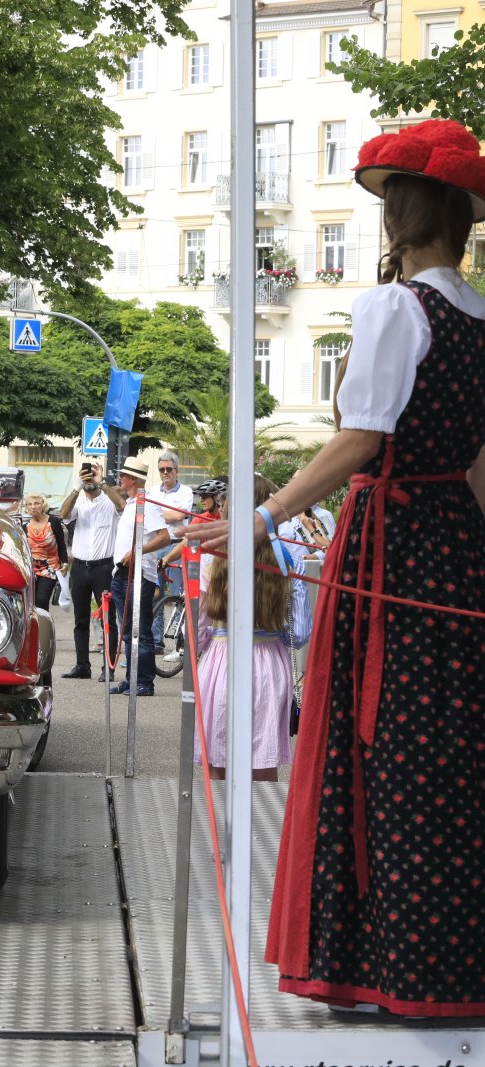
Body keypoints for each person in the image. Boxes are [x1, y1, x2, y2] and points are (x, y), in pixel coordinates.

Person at [195, 119, 485, 1016]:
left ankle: (376, 966)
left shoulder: (394, 308)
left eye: (390, 202)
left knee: (376, 743)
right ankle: (448, 965)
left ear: (406, 216)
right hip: (457, 547)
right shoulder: (480, 319)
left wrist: (262, 516)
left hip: (391, 545)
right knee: (447, 749)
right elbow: (478, 465)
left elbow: (361, 438)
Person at [192, 475, 309, 782]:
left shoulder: (212, 558)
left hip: (220, 662)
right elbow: (299, 634)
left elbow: (197, 633)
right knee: (262, 767)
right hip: (270, 663)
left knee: (217, 760)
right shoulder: (289, 559)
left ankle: (218, 815)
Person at [108, 456, 169, 697]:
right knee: (127, 630)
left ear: (132, 479)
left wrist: (137, 552)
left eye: (123, 475)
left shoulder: (147, 504)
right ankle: (132, 679)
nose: (120, 479)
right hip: (123, 574)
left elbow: (164, 537)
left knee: (140, 630)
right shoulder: (132, 504)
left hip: (138, 574)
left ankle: (144, 681)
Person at [59, 461, 124, 680]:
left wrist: (101, 482)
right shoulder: (78, 500)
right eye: (85, 475)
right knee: (80, 620)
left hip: (103, 567)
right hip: (80, 567)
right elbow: (64, 514)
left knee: (108, 619)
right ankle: (82, 666)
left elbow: (122, 506)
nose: (89, 478)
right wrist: (77, 486)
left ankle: (108, 668)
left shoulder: (109, 500)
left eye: (92, 474)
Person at [149, 452, 194, 651]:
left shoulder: (186, 492)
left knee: (178, 596)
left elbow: (179, 516)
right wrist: (167, 514)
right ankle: (156, 641)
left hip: (176, 546)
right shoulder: (152, 491)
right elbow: (152, 516)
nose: (165, 472)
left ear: (177, 471)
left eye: (169, 469)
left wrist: (157, 513)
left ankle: (179, 644)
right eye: (162, 469)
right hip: (156, 546)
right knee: (154, 595)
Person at [22, 493, 68, 610]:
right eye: (29, 504)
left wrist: (65, 563)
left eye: (36, 503)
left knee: (42, 600)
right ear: (26, 508)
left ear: (43, 505)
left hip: (50, 567)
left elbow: (61, 545)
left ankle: (43, 621)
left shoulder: (53, 522)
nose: (33, 507)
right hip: (31, 569)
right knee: (30, 602)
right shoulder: (25, 526)